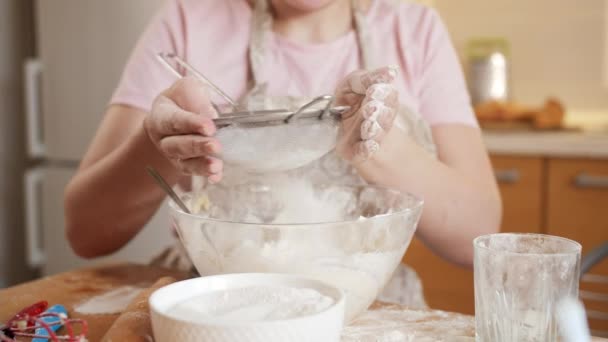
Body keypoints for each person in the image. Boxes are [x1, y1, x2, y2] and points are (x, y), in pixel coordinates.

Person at [64, 0, 501, 307]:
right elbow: (85, 232)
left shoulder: (415, 32)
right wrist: (155, 146)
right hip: (215, 308)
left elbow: (477, 232)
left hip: (370, 309)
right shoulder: (189, 20)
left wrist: (379, 145)